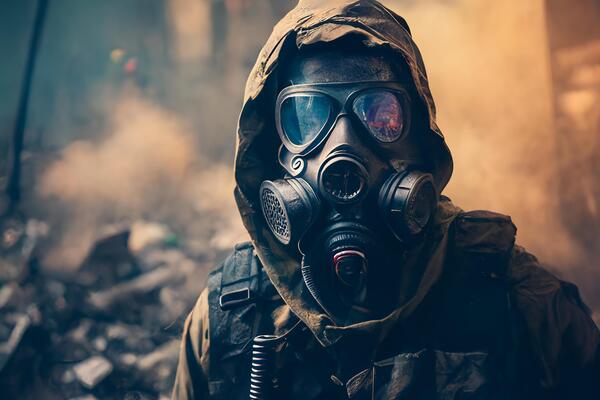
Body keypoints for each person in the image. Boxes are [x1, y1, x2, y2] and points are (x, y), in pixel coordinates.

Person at [172, 1, 600, 399]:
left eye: (379, 115)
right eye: (308, 117)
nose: (343, 152)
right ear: (276, 153)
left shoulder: (517, 300)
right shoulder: (228, 321)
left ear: (420, 140)